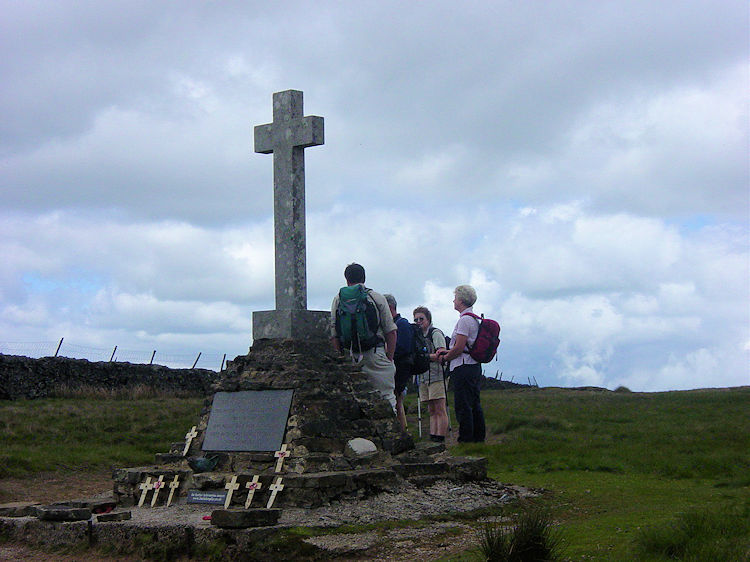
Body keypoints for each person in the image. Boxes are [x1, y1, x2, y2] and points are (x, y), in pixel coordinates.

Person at [331, 264, 398, 411]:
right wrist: (389, 357)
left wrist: (341, 358)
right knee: (386, 397)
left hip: (351, 355)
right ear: (364, 277)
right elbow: (391, 331)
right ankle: (390, 432)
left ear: (347, 280)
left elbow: (334, 334)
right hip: (375, 353)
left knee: (355, 400)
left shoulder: (338, 299)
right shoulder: (376, 297)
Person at [437, 285, 486, 443]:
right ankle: (478, 437)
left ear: (462, 300)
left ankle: (466, 438)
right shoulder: (474, 319)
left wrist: (446, 357)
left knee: (463, 404)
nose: (454, 300)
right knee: (474, 402)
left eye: (456, 297)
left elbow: (459, 347)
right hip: (474, 365)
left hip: (463, 366)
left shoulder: (464, 321)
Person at [413, 306, 449, 442]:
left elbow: (442, 354)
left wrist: (424, 357)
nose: (418, 322)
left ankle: (440, 438)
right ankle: (434, 437)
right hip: (423, 376)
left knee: (440, 407)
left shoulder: (435, 333)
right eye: (416, 319)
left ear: (428, 320)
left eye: (421, 319)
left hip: (437, 374)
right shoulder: (418, 337)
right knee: (431, 409)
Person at [384, 294, 412, 431]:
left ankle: (402, 431)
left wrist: (388, 352)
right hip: (397, 367)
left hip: (400, 368)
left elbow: (404, 348)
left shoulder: (402, 324)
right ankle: (402, 430)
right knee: (396, 401)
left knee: (397, 401)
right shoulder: (399, 324)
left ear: (389, 307)